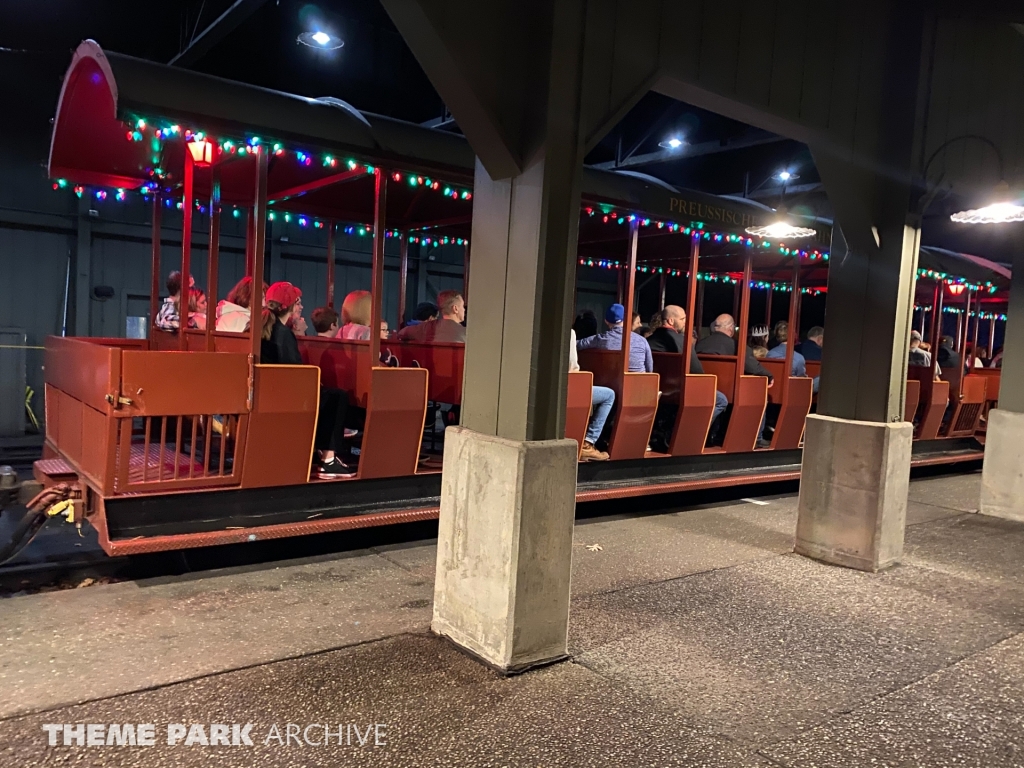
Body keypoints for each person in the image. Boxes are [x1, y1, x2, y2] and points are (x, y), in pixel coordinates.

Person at [261, 282, 354, 478]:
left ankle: (323, 450)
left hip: (270, 391)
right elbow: (294, 372)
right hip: (285, 396)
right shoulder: (283, 334)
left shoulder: (263, 327)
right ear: (289, 306)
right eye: (298, 302)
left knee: (326, 394)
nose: (301, 306)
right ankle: (328, 460)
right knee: (337, 397)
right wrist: (314, 381)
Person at [696, 314, 773, 448]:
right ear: (731, 328)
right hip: (730, 389)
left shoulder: (700, 344)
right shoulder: (737, 346)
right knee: (759, 392)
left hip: (705, 387)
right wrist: (769, 375)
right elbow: (751, 366)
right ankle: (756, 437)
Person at [569, 329, 613, 462]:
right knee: (609, 395)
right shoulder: (569, 333)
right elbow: (572, 365)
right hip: (568, 386)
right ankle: (588, 443)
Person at [576, 303, 653, 373]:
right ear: (627, 319)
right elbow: (649, 369)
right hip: (639, 382)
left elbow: (576, 344)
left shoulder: (600, 339)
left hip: (611, 383)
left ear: (606, 321)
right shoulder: (642, 341)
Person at [398, 290, 467, 342]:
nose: (464, 309)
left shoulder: (426, 328)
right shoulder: (466, 333)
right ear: (455, 309)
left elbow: (402, 333)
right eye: (462, 306)